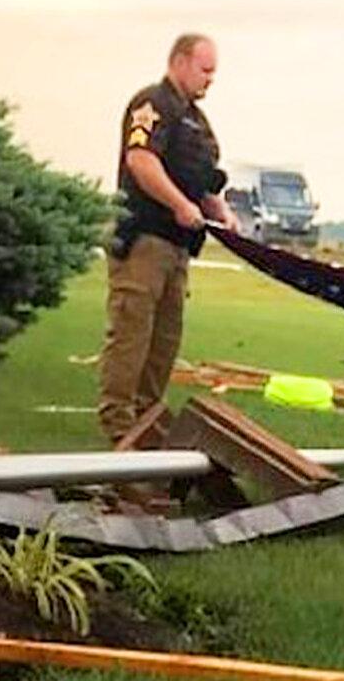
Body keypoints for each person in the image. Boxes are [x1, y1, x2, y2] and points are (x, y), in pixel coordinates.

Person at [98, 33, 239, 445]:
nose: (210, 79)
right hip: (145, 237)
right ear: (179, 62)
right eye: (204, 69)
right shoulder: (152, 104)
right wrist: (179, 204)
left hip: (178, 246)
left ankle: (147, 420)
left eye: (214, 72)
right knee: (131, 333)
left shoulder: (197, 121)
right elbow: (141, 161)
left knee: (165, 339)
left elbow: (201, 182)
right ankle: (119, 424)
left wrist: (220, 211)